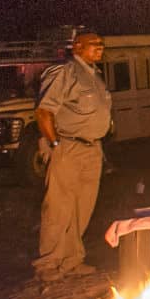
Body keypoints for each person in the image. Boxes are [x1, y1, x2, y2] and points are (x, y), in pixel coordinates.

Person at [33, 31, 112, 283]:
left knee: (82, 208)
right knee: (58, 207)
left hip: (92, 148)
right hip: (68, 146)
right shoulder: (65, 71)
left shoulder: (94, 75)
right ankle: (48, 264)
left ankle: (71, 260)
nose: (99, 48)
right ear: (77, 47)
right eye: (93, 45)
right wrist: (55, 144)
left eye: (101, 45)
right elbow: (44, 111)